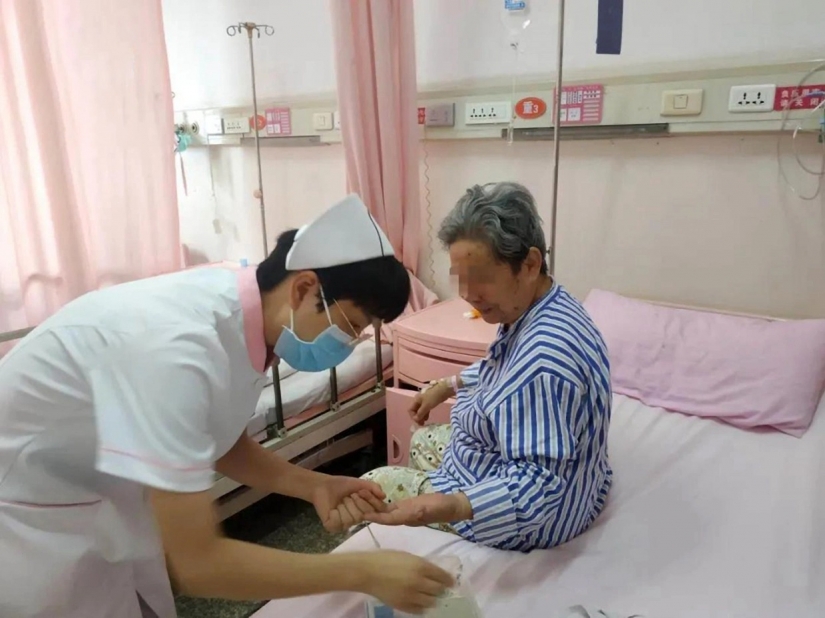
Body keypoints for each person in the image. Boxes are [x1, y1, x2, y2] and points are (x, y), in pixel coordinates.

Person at [0, 195, 453, 618]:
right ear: (303, 288)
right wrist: (365, 572)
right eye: (351, 324)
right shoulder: (178, 349)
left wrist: (314, 485)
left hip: (98, 498)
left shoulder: (242, 320)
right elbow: (199, 565)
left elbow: (216, 438)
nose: (349, 341)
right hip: (29, 521)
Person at [361, 182, 613, 552]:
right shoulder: (547, 307)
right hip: (576, 483)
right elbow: (504, 368)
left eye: (480, 280)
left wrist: (450, 505)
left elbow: (538, 485)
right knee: (422, 440)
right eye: (460, 279)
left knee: (368, 489)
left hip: (537, 519)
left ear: (529, 264)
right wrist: (449, 384)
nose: (467, 293)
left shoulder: (543, 362)